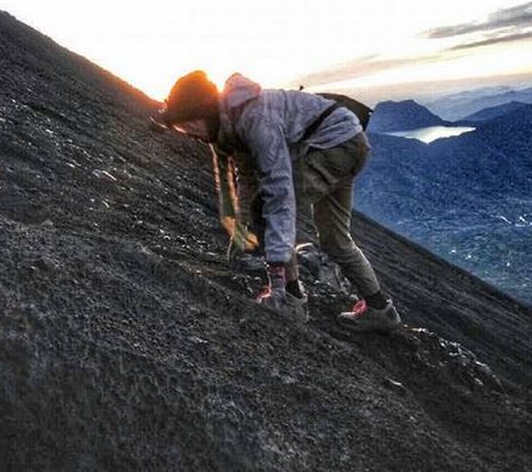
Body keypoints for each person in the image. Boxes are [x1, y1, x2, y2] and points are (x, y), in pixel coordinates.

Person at [154, 70, 402, 332]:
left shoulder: (254, 119)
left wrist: (274, 271)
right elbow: (247, 176)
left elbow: (279, 192)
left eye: (188, 123)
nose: (188, 132)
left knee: (268, 210)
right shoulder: (227, 124)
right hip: (348, 142)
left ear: (204, 111)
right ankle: (380, 309)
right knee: (334, 240)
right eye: (181, 127)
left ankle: (289, 301)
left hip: (332, 145)